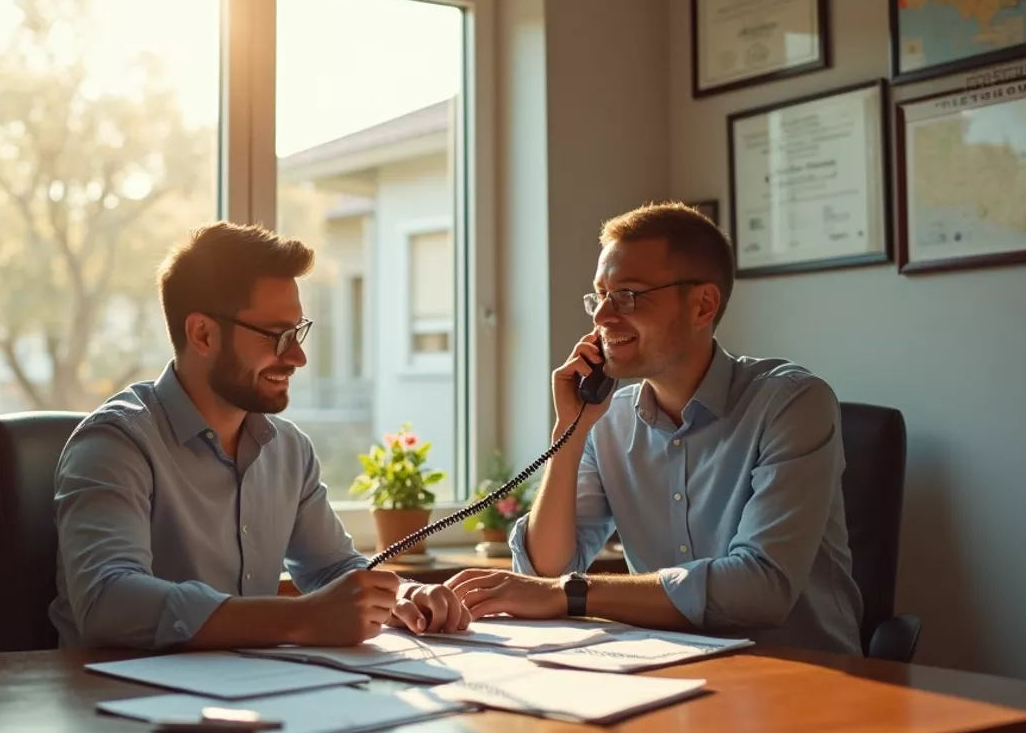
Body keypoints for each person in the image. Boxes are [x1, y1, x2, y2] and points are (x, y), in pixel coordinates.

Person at [444, 202, 864, 655]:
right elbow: (545, 573)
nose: (603, 317)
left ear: (703, 305)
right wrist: (570, 433)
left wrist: (574, 594)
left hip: (804, 680)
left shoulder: (792, 403)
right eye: (599, 295)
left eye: (627, 295)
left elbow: (759, 588)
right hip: (673, 673)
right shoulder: (607, 421)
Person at [50, 222, 470, 651]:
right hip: (117, 704)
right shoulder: (114, 444)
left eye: (297, 332)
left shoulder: (288, 451)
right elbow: (108, 602)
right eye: (277, 336)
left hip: (251, 696)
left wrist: (400, 596)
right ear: (203, 334)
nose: (297, 357)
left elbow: (333, 569)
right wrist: (301, 620)